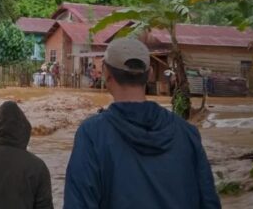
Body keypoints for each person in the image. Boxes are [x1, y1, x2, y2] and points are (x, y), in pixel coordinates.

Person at [64, 38, 220, 209]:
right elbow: (209, 202)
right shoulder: (187, 133)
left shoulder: (92, 134)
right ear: (150, 74)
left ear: (106, 74)